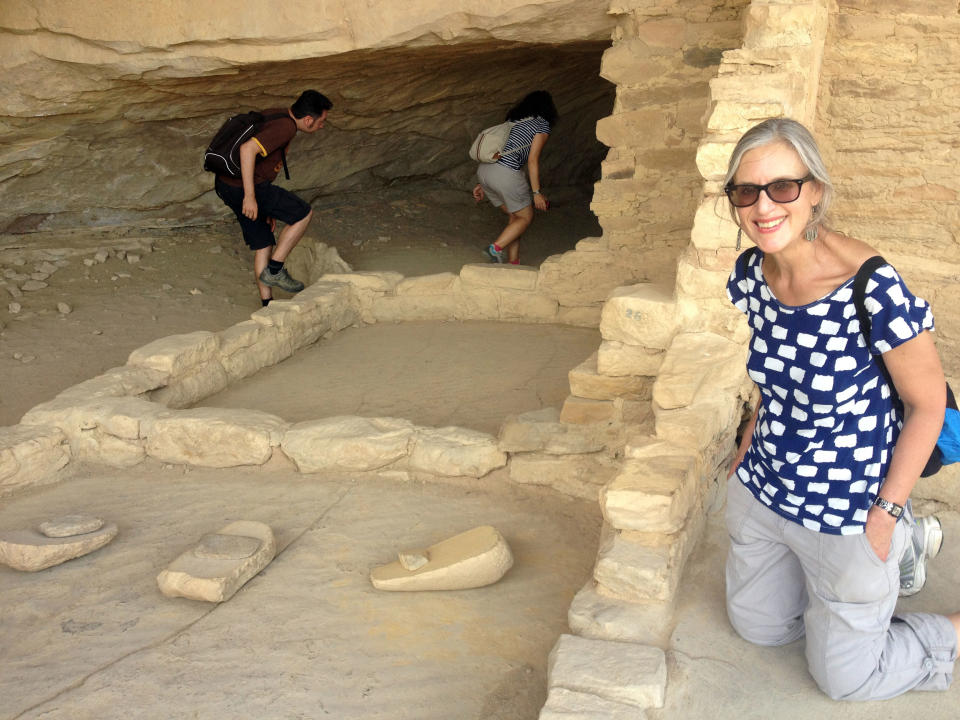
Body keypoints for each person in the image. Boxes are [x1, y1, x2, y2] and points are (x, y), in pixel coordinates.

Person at [723, 117, 958, 700]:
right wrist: (748, 444)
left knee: (848, 679)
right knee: (760, 628)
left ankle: (908, 557)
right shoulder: (754, 271)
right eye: (746, 192)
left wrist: (883, 512)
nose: (763, 206)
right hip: (766, 484)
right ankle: (902, 551)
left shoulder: (868, 285)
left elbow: (927, 406)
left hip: (848, 502)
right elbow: (770, 372)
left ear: (816, 191)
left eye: (783, 187)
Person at [214, 90, 333, 305]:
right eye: (321, 121)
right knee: (303, 213)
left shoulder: (278, 114)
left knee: (263, 241)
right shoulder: (285, 126)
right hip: (246, 188)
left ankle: (267, 304)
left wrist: (263, 206)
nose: (322, 125)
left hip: (226, 185)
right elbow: (247, 149)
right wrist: (250, 197)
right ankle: (275, 270)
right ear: (308, 119)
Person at [472, 90, 557, 265]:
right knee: (525, 217)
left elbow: (499, 152)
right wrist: (537, 193)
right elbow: (533, 160)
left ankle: (514, 262)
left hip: (485, 171)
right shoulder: (542, 125)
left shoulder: (513, 121)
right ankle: (494, 249)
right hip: (505, 173)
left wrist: (482, 183)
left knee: (515, 218)